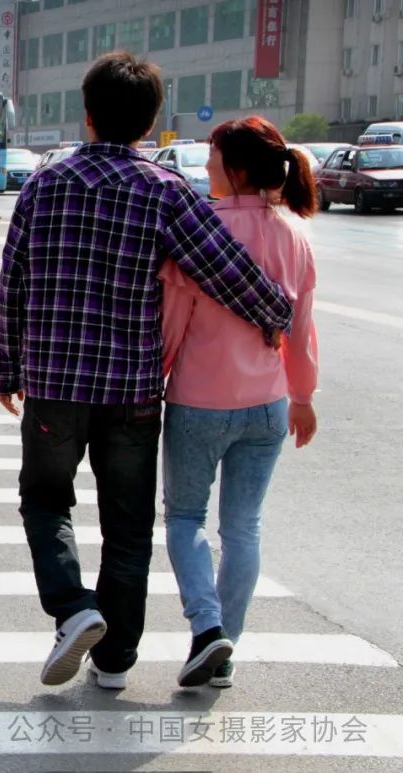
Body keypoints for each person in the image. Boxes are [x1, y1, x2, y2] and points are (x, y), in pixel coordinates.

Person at [0, 51, 294, 692]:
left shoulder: (44, 184)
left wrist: (7, 366)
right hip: (131, 391)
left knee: (45, 502)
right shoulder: (165, 190)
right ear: (150, 121)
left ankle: (73, 608)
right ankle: (114, 663)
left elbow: (12, 281)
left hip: (53, 385)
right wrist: (276, 313)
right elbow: (223, 268)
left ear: (87, 113)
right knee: (128, 526)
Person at [160, 116, 319, 689]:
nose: (205, 168)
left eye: (212, 158)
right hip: (268, 404)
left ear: (237, 168)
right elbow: (301, 329)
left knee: (185, 518)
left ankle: (207, 628)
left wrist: (151, 382)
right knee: (243, 529)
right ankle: (224, 651)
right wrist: (303, 397)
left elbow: (173, 322)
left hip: (199, 401)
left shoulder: (200, 231)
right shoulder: (294, 234)